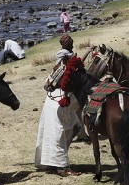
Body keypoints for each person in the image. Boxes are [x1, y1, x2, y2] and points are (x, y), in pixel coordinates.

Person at [35, 34, 95, 176]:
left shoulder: (61, 61)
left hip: (52, 100)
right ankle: (62, 167)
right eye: (71, 42)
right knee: (60, 134)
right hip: (61, 101)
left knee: (73, 126)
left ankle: (52, 162)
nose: (72, 44)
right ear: (68, 44)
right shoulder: (70, 62)